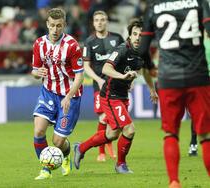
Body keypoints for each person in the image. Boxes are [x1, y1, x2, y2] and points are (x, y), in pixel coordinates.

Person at [139, 1, 210, 187]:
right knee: (204, 136)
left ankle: (174, 182)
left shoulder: (154, 7)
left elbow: (142, 49)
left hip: (168, 78)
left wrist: (150, 66)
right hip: (198, 76)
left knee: (171, 133)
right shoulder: (199, 2)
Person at [74, 18, 158, 173]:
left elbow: (146, 71)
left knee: (111, 134)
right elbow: (106, 69)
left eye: (141, 35)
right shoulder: (122, 49)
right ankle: (120, 165)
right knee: (130, 129)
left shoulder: (143, 53)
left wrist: (152, 90)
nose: (138, 37)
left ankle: (81, 147)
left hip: (122, 96)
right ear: (130, 35)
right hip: (110, 95)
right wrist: (123, 76)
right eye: (135, 34)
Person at [31, 8, 84, 180]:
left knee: (58, 142)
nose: (55, 30)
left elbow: (80, 76)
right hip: (48, 93)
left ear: (64, 25)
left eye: (59, 26)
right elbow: (34, 71)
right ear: (47, 24)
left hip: (70, 96)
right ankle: (45, 169)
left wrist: (68, 96)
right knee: (39, 131)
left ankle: (66, 154)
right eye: (52, 25)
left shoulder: (72, 46)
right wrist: (36, 73)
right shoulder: (39, 44)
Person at [83, 10, 124, 162]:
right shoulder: (89, 42)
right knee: (103, 116)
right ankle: (102, 151)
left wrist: (125, 79)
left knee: (115, 119)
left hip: (117, 85)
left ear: (106, 21)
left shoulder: (117, 38)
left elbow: (124, 59)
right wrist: (98, 80)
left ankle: (107, 143)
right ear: (93, 23)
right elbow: (86, 66)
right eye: (97, 20)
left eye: (102, 19)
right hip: (99, 85)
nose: (99, 22)